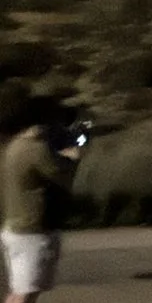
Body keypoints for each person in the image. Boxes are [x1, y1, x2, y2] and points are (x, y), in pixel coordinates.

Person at [2, 102, 80, 303]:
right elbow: (61, 174)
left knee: (21, 290)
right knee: (25, 294)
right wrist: (72, 157)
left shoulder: (13, 147)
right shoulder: (35, 149)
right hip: (33, 230)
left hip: (16, 226)